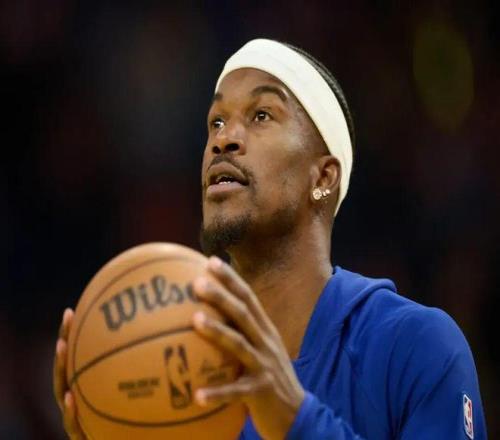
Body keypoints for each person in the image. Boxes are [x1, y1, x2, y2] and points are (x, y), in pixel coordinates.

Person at [53, 39, 487, 439]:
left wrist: (294, 419)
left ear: (323, 177)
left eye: (261, 115)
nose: (223, 139)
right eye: (216, 122)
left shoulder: (416, 346)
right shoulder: (172, 375)